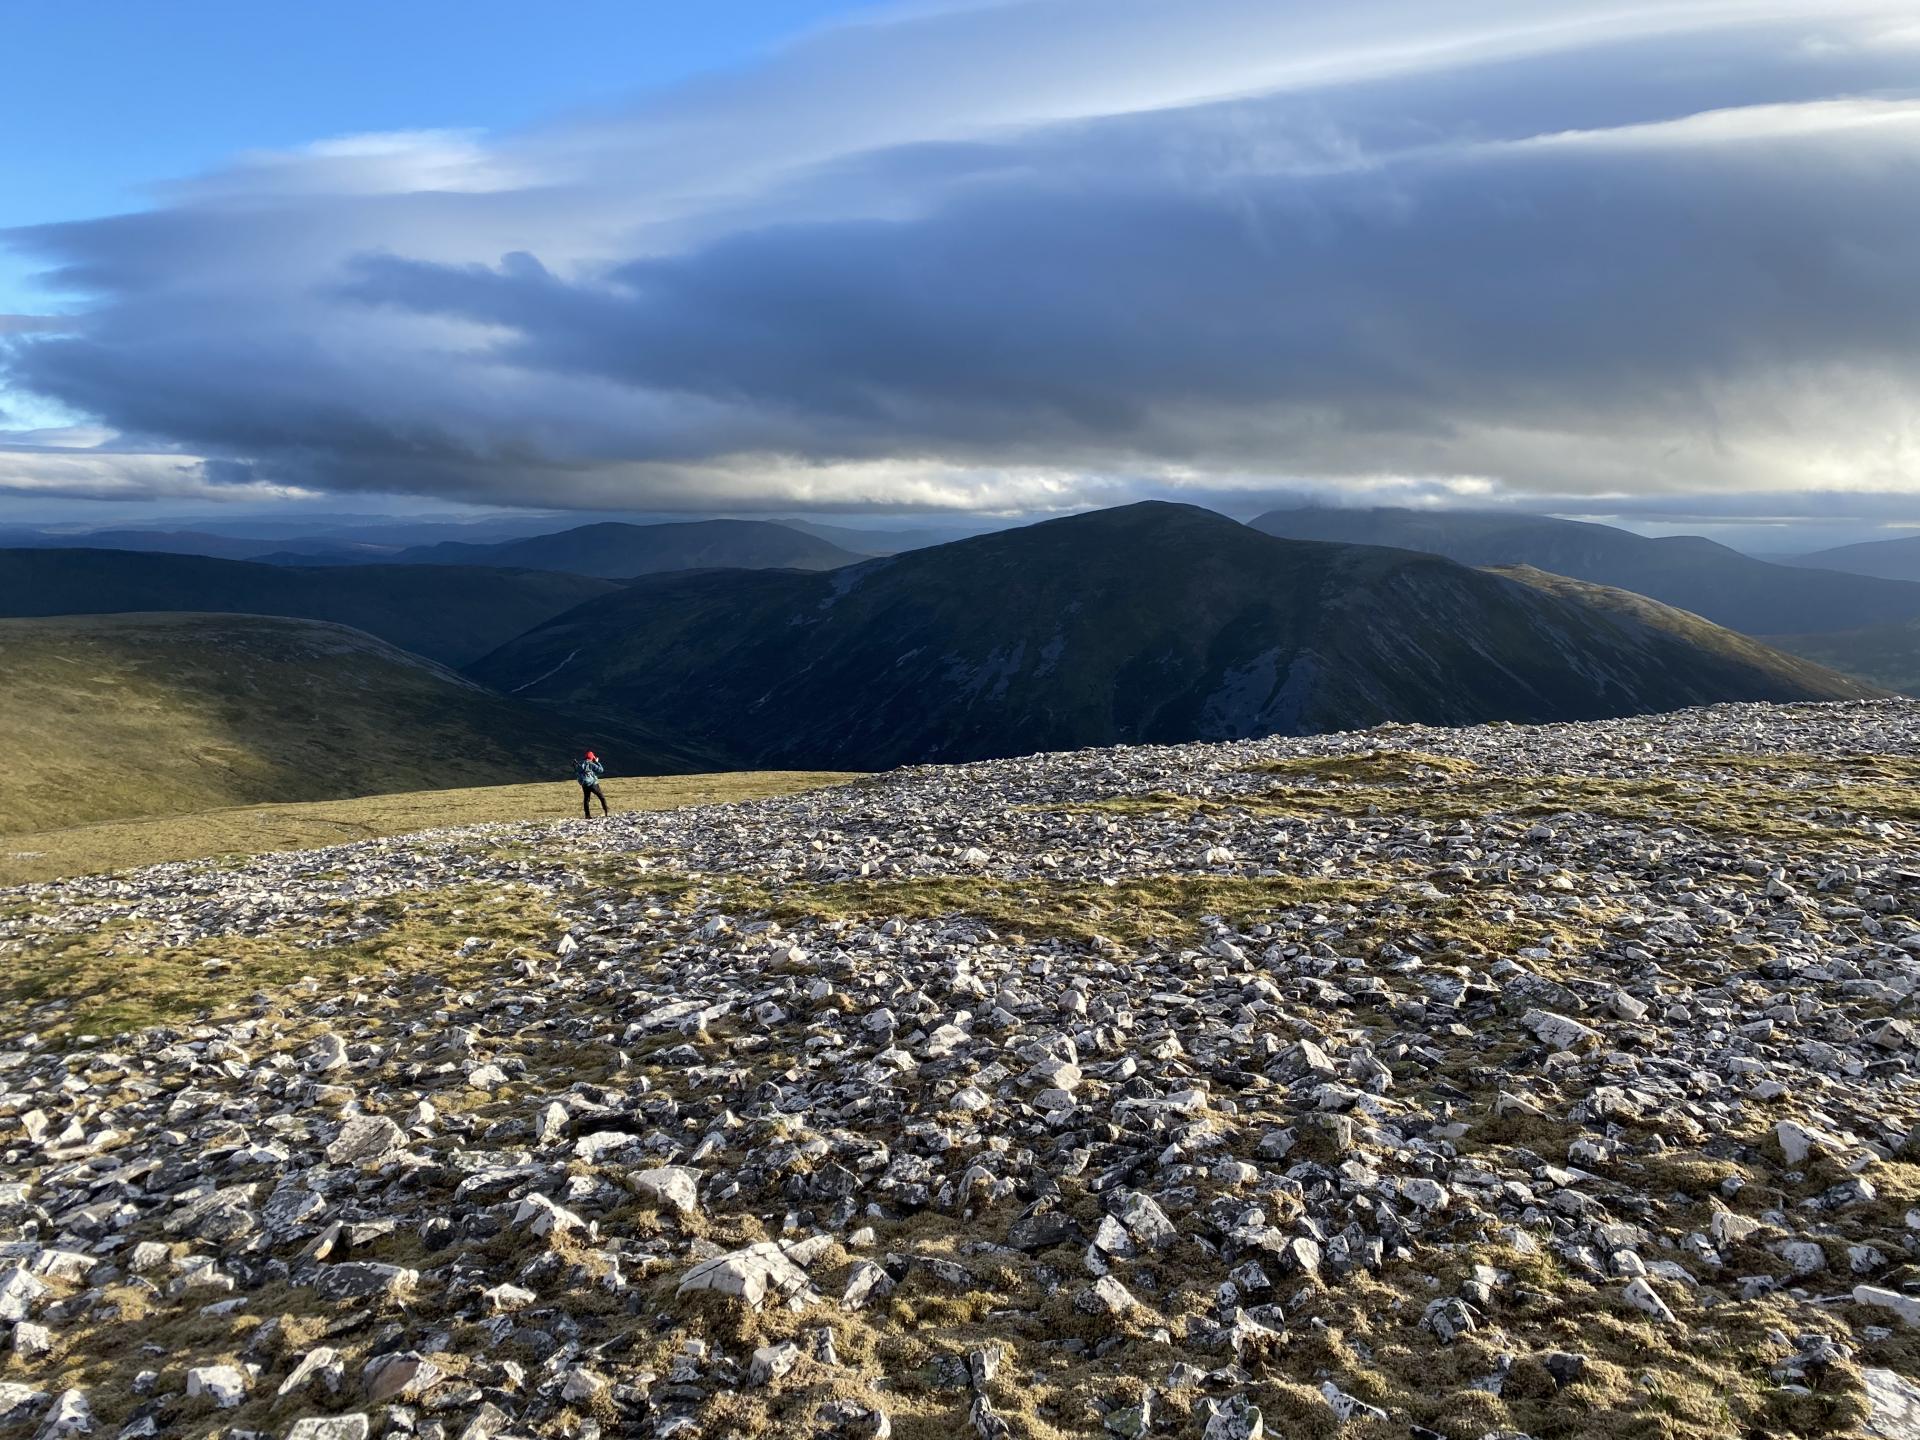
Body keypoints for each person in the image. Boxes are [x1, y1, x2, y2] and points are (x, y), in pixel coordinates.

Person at [574, 750, 608, 818]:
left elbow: (577, 772)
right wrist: (597, 762)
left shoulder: (580, 764)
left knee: (586, 799)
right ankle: (606, 812)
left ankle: (587, 815)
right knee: (601, 797)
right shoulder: (591, 763)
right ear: (592, 757)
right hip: (593, 784)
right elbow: (601, 770)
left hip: (584, 784)